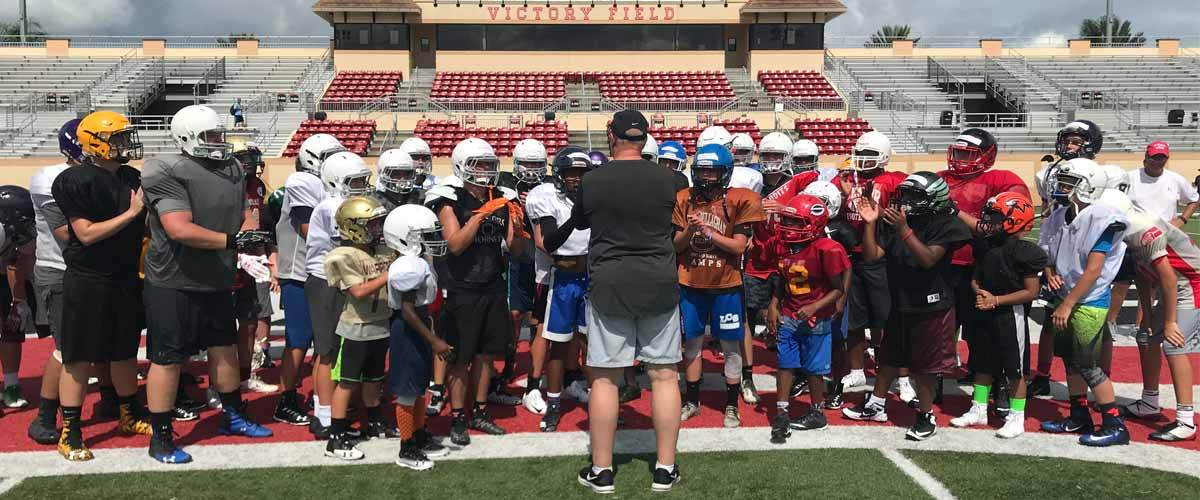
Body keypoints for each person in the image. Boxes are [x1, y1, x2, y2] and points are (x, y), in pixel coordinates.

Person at [142, 105, 273, 464]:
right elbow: (178, 228)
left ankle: (232, 414)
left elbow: (243, 212)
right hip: (173, 280)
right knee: (167, 358)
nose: (218, 142)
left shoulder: (230, 166)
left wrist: (249, 242)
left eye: (219, 135)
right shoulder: (164, 169)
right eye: (210, 137)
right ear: (186, 138)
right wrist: (233, 243)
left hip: (215, 276)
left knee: (224, 348)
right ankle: (162, 436)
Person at [568, 110, 682, 493]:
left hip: (610, 283)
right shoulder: (672, 178)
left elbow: (582, 224)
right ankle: (664, 468)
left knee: (605, 377)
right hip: (658, 282)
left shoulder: (593, 180)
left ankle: (603, 471)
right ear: (646, 137)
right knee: (664, 375)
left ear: (611, 135)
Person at [48, 111, 150, 462]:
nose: (125, 144)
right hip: (88, 279)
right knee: (79, 357)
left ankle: (128, 414)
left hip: (123, 277)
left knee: (124, 352)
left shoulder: (131, 177)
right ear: (94, 142)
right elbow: (86, 234)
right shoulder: (74, 180)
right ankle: (70, 431)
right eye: (117, 138)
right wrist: (132, 215)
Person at [843, 172, 971, 441]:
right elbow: (872, 255)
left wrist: (904, 230)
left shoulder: (947, 224)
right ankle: (876, 404)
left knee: (924, 368)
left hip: (931, 305)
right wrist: (870, 224)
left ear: (933, 199)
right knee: (889, 358)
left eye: (914, 196)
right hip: (901, 301)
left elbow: (927, 259)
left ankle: (926, 416)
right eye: (905, 195)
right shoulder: (898, 221)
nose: (906, 201)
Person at [426, 138, 521, 445]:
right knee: (459, 358)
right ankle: (457, 417)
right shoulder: (449, 198)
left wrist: (516, 224)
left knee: (485, 356)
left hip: (493, 284)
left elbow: (516, 249)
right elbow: (454, 245)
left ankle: (479, 411)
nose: (484, 171)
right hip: (461, 287)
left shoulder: (502, 196)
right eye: (478, 165)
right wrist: (480, 215)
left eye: (488, 165)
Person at [1037, 158, 1131, 447]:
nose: (1061, 187)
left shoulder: (1104, 218)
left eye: (1069, 182)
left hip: (1088, 300)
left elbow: (1094, 269)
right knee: (1070, 360)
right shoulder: (1059, 215)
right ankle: (1079, 414)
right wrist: (1050, 273)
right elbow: (1048, 256)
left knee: (1088, 364)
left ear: (1089, 186)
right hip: (1064, 295)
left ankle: (1115, 423)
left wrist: (1068, 303)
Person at [1095, 186, 1200, 441]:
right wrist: (1149, 317)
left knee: (1175, 345)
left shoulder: (1143, 231)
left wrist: (1170, 321)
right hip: (1173, 282)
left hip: (1190, 282)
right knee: (1146, 336)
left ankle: (1186, 421)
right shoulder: (1129, 231)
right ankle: (1150, 402)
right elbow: (1141, 275)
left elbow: (1168, 280)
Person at [673, 144, 765, 428]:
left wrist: (709, 233)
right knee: (691, 345)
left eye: (712, 171)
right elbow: (675, 246)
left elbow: (738, 247)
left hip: (726, 284)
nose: (706, 177)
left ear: (725, 173)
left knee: (730, 346)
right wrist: (690, 230)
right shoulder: (683, 198)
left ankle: (730, 404)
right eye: (701, 171)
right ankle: (692, 400)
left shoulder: (740, 199)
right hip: (691, 283)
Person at [939, 128, 1029, 413]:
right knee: (942, 330)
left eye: (968, 154)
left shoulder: (1002, 180)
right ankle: (936, 379)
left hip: (985, 268)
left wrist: (956, 213)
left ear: (986, 156)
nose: (961, 160)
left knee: (987, 334)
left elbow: (1004, 224)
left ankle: (999, 386)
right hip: (945, 265)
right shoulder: (941, 179)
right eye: (959, 153)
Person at [948, 192, 1044, 439]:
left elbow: (1031, 292)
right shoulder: (987, 245)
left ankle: (1017, 417)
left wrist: (996, 300)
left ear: (1015, 219)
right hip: (985, 311)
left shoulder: (1025, 252)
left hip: (1010, 314)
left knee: (1015, 369)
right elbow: (976, 277)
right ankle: (979, 408)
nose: (989, 221)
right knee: (982, 362)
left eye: (995, 217)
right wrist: (977, 291)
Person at [272, 133, 343, 428]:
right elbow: (308, 228)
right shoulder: (303, 182)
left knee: (327, 344)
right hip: (300, 271)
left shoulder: (330, 183)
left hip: (326, 271)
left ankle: (323, 405)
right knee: (299, 339)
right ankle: (285, 399)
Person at [1029, 121, 1105, 398]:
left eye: (1076, 142)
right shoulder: (1048, 173)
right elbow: (1050, 213)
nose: (1070, 146)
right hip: (1056, 246)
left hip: (1088, 251)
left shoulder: (1101, 174)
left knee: (1095, 325)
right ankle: (1043, 374)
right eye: (1068, 141)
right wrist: (1047, 263)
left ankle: (1097, 377)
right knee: (1051, 318)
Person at [766, 194, 849, 443]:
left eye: (794, 222)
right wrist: (773, 304)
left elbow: (838, 289)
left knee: (814, 369)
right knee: (785, 363)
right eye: (787, 220)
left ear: (814, 224)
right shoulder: (782, 245)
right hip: (790, 313)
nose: (787, 227)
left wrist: (816, 306)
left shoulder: (827, 248)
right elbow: (783, 278)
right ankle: (781, 411)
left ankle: (817, 412)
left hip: (817, 318)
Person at [525, 147, 595, 432]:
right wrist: (575, 219)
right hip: (561, 281)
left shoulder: (595, 199)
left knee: (592, 345)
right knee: (558, 345)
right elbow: (551, 241)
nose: (576, 179)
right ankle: (553, 404)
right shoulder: (546, 197)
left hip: (590, 278)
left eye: (581, 173)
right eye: (571, 173)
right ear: (560, 175)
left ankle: (600, 399)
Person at [835, 132, 909, 397]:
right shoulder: (845, 178)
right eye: (861, 154)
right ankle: (856, 371)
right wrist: (845, 197)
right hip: (850, 254)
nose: (863, 160)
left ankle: (900, 374)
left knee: (887, 319)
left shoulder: (892, 181)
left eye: (869, 155)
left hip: (880, 256)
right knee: (854, 319)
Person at [306, 151, 373, 438]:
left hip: (344, 278)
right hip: (328, 281)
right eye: (354, 181)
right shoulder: (331, 206)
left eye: (362, 180)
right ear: (335, 182)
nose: (361, 186)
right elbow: (355, 239)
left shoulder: (348, 203)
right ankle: (323, 415)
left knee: (344, 348)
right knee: (328, 350)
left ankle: (336, 408)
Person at [322, 196, 395, 460]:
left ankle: (374, 422)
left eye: (378, 223)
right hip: (356, 327)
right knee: (347, 383)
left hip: (381, 324)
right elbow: (359, 291)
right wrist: (390, 274)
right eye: (372, 224)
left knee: (375, 379)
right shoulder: (343, 255)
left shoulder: (385, 250)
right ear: (353, 226)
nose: (377, 229)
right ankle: (336, 437)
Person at [26, 119, 85, 445]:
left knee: (95, 344)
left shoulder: (101, 174)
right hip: (60, 269)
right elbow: (73, 233)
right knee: (67, 350)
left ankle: (111, 399)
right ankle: (45, 415)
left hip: (89, 270)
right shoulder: (49, 178)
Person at [384, 204, 452, 469]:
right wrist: (434, 340)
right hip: (408, 326)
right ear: (406, 235)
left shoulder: (417, 261)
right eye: (427, 234)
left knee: (419, 387)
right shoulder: (408, 265)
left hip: (418, 322)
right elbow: (408, 310)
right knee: (407, 391)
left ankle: (419, 434)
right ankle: (406, 446)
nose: (434, 239)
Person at [492, 138, 547, 407]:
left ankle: (539, 374)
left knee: (538, 319)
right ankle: (509, 364)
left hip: (541, 259)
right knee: (513, 315)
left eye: (537, 164)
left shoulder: (549, 186)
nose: (531, 170)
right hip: (514, 258)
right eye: (527, 164)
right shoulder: (503, 185)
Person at [229, 137, 278, 395]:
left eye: (251, 158)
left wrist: (268, 257)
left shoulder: (257, 185)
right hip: (228, 257)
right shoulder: (224, 185)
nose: (249, 163)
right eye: (243, 158)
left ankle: (247, 374)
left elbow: (260, 224)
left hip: (254, 256)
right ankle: (221, 385)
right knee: (225, 326)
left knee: (251, 319)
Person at [1127, 141, 1198, 227]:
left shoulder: (1176, 179)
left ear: (1167, 158)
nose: (1157, 162)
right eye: (1154, 157)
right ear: (1146, 156)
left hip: (1166, 234)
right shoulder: (1128, 178)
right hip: (1135, 233)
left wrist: (1181, 220)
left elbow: (1194, 200)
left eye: (1161, 158)